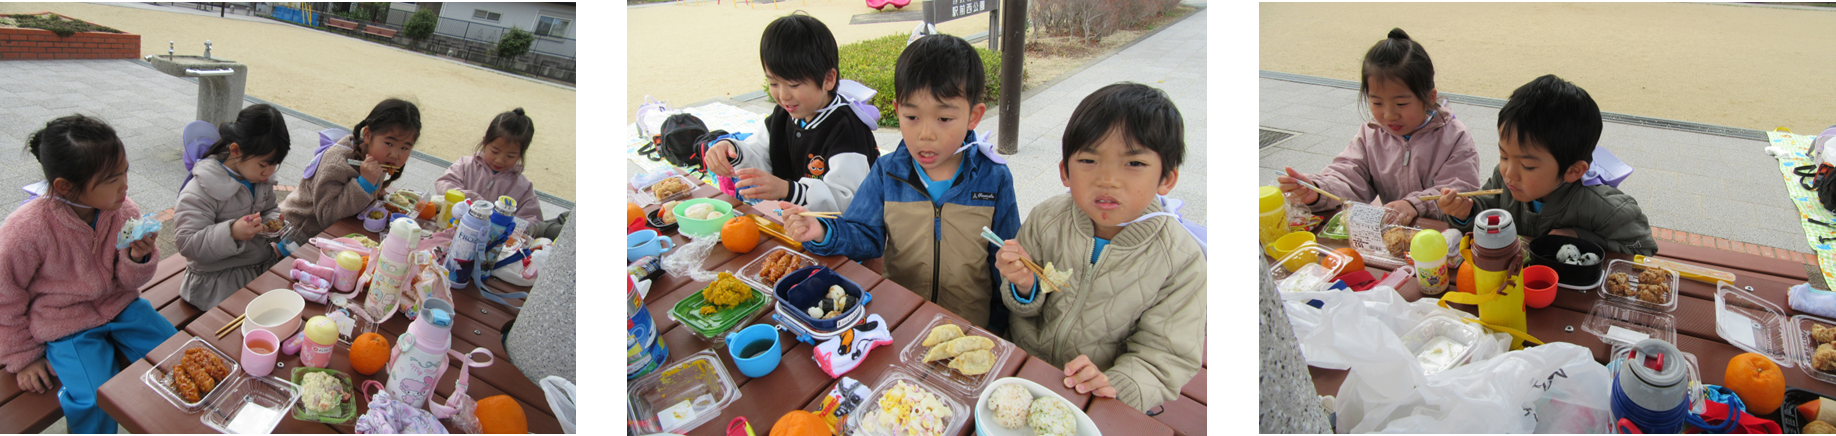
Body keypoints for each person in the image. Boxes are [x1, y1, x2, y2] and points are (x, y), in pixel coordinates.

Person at [778, 34, 1020, 332]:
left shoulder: (993, 178)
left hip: (969, 329)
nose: (925, 134)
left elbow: (1005, 261)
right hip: (901, 322)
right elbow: (864, 235)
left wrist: (998, 330)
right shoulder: (887, 172)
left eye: (944, 119)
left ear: (974, 116)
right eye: (912, 116)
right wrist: (822, 231)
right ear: (897, 110)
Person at [993, 83, 1205, 413]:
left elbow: (1164, 356)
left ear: (1166, 178)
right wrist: (1023, 286)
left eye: (1134, 163)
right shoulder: (1047, 219)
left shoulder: (1181, 260)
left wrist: (1116, 386)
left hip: (1101, 400)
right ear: (1065, 171)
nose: (1108, 180)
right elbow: (1024, 306)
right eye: (1089, 160)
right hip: (1025, 370)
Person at [1, 115, 174, 433]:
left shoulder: (125, 212)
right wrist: (23, 356)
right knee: (94, 399)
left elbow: (129, 282)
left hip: (121, 305)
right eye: (111, 179)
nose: (125, 185)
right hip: (65, 324)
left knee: (177, 355)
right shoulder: (25, 230)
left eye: (125, 171)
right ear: (65, 187)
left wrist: (137, 257)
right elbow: (5, 295)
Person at [1437, 74, 1658, 255]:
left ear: (1573, 171)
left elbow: (1643, 248)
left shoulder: (1602, 207)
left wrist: (1582, 238)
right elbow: (1484, 214)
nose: (1509, 174)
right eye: (1504, 156)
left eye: (1528, 166)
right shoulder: (1501, 181)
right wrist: (1465, 212)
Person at [1278, 28, 1481, 223]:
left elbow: (1461, 191)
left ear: (1429, 98)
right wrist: (1317, 189)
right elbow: (1349, 176)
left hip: (1442, 236)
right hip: (1392, 234)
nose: (1389, 115)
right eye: (1377, 103)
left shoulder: (1455, 137)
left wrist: (1413, 205)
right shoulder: (1371, 134)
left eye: (1401, 104)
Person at [702, 11, 880, 213]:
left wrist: (787, 190)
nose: (783, 96)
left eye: (794, 85)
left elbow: (847, 199)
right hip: (796, 220)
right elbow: (760, 151)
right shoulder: (783, 116)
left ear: (828, 79)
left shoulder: (847, 128)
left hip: (840, 229)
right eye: (773, 83)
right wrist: (731, 150)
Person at [174, 104, 292, 310]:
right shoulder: (202, 188)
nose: (269, 172)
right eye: (263, 165)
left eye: (275, 164)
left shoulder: (259, 180)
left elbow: (269, 208)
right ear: (236, 151)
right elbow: (187, 243)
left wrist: (272, 223)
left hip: (260, 266)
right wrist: (232, 233)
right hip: (216, 280)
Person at [279, 98, 421, 246]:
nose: (395, 154)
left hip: (331, 232)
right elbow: (327, 216)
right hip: (294, 233)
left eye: (404, 148)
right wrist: (364, 185)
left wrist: (373, 191)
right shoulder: (336, 163)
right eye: (389, 143)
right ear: (367, 135)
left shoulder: (377, 158)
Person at [434, 108, 568, 239]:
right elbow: (444, 184)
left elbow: (533, 222)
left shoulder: (523, 186)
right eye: (495, 151)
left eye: (510, 156)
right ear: (485, 142)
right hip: (450, 231)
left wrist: (504, 222)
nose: (500, 160)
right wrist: (474, 200)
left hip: (493, 244)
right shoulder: (466, 165)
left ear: (521, 155)